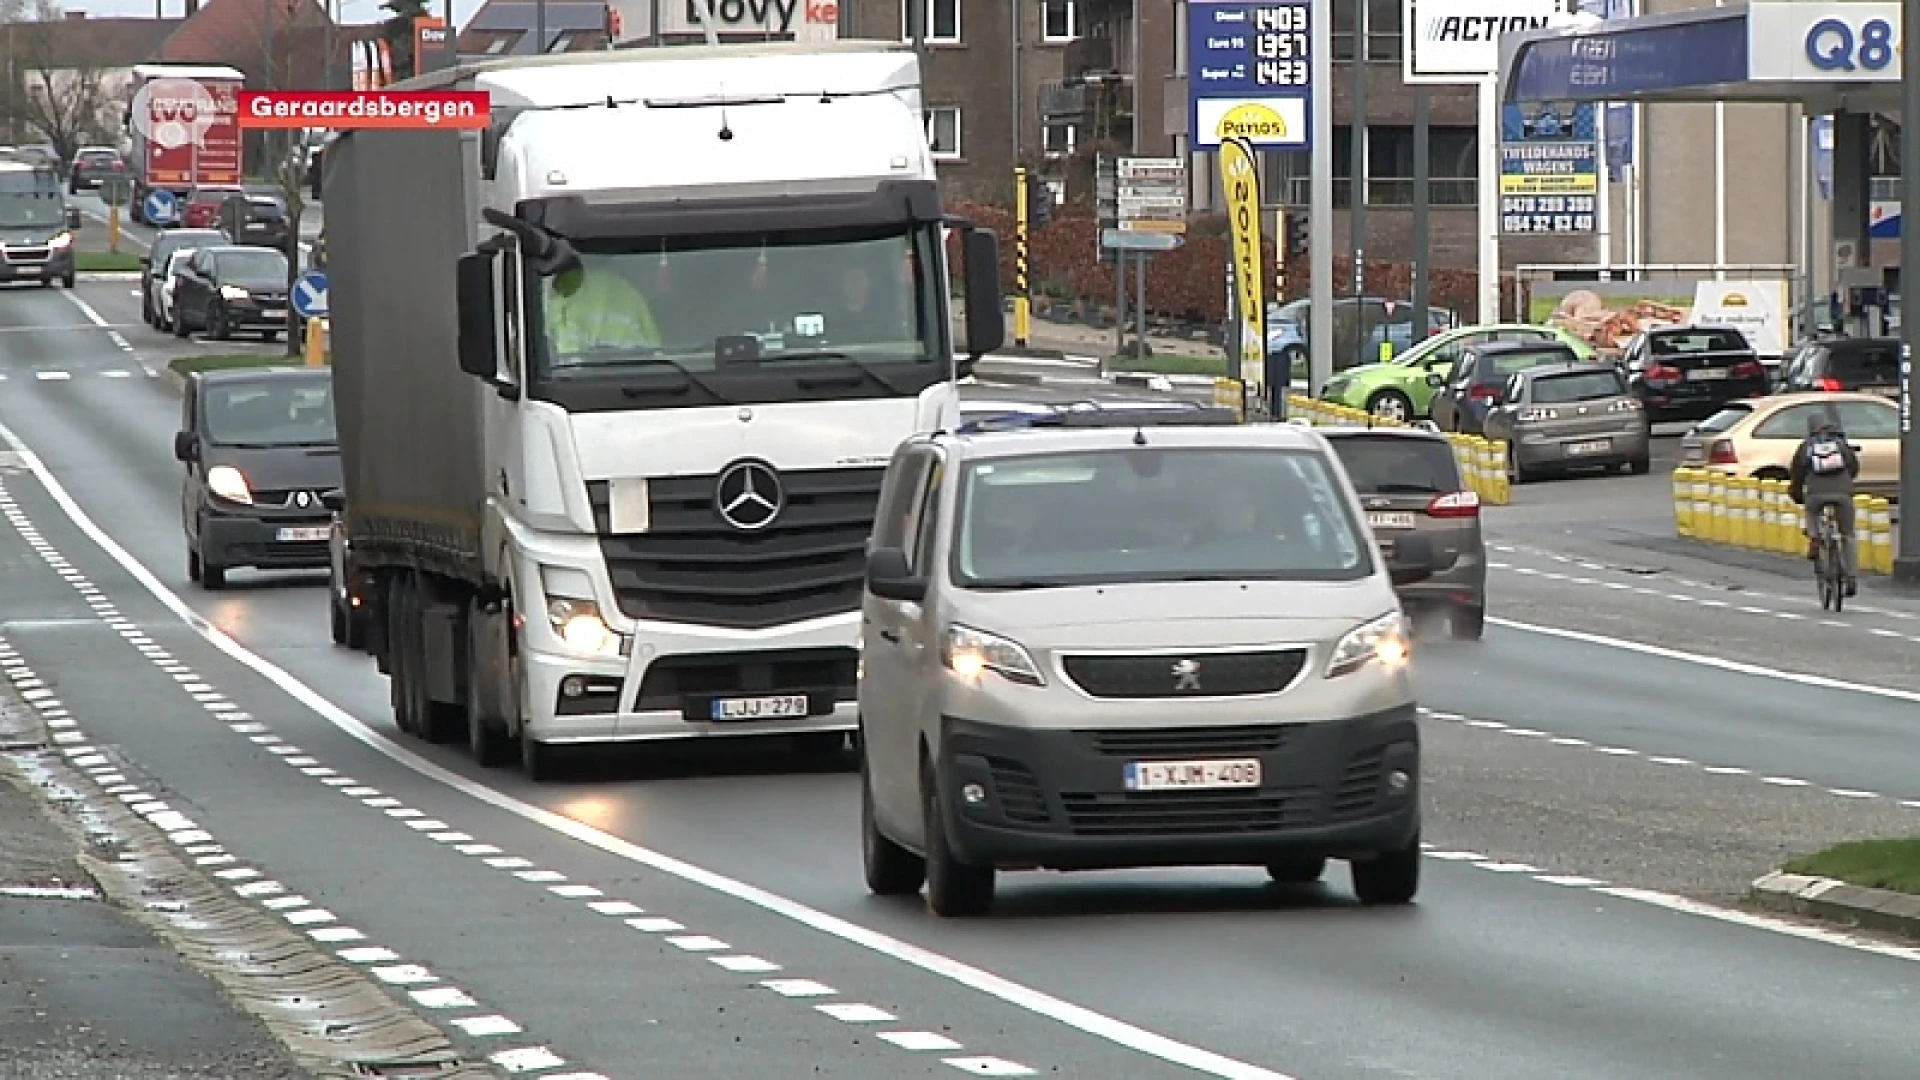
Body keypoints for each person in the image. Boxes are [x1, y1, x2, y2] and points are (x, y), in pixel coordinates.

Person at [1788, 410, 1860, 597]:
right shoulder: (1841, 444)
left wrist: (1796, 493)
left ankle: (1814, 538)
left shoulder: (1806, 447)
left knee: (1811, 512)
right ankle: (1851, 577)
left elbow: (1797, 474)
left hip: (1815, 494)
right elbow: (1853, 466)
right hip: (1843, 493)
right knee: (1848, 535)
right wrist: (1846, 482)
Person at [544, 261, 661, 356]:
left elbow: (554, 344)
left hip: (575, 380)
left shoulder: (565, 288)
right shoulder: (628, 291)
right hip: (631, 378)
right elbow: (654, 350)